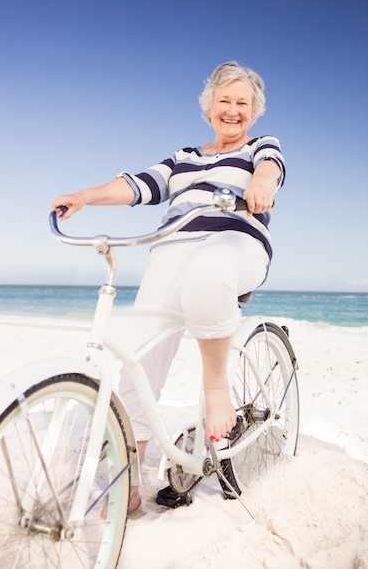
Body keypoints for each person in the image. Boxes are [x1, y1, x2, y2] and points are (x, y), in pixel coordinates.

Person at [51, 61, 285, 512]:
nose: (232, 110)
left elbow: (270, 169)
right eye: (224, 101)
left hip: (233, 242)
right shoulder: (183, 157)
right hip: (170, 249)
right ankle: (131, 478)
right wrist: (84, 196)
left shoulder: (262, 146)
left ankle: (217, 390)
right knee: (140, 360)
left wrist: (260, 185)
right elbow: (138, 185)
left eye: (242, 103)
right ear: (209, 107)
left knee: (207, 268)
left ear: (253, 113)